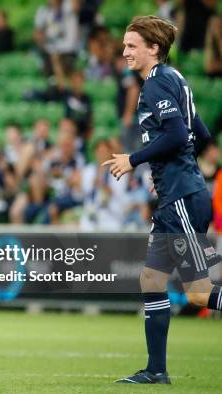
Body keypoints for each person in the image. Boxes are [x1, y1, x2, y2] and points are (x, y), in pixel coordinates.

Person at [103, 16, 222, 385]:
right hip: (178, 194)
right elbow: (198, 134)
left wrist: (134, 159)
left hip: (183, 199)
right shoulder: (173, 79)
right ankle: (156, 371)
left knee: (199, 294)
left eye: (132, 45)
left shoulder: (156, 85)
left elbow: (175, 134)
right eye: (124, 45)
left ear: (153, 48)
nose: (125, 52)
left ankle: (156, 369)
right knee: (151, 278)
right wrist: (168, 171)